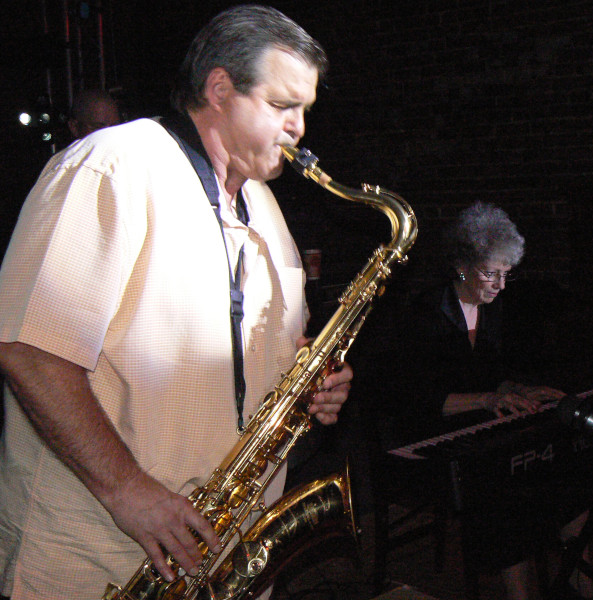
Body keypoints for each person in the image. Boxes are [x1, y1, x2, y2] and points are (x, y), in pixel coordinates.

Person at [0, 6, 352, 600]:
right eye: (281, 105)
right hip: (97, 557)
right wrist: (128, 489)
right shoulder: (113, 166)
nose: (298, 128)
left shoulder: (265, 206)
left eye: (305, 110)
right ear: (220, 89)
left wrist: (316, 379)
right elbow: (28, 350)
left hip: (220, 550)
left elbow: (273, 348)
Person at [388, 201, 565, 600]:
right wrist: (487, 399)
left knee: (548, 467)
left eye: (506, 274)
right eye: (491, 273)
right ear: (462, 267)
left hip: (475, 426)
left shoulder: (492, 310)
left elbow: (490, 374)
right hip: (426, 436)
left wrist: (516, 390)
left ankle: (574, 577)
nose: (501, 285)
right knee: (505, 487)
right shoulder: (425, 313)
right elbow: (418, 398)